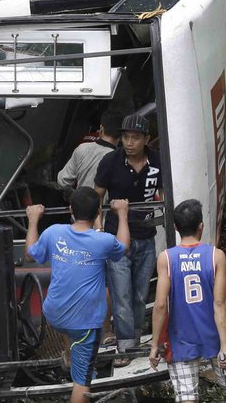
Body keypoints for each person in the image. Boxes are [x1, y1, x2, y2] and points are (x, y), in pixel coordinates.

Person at [26, 189, 130, 403]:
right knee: (82, 384)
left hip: (54, 314)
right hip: (83, 323)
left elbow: (30, 252)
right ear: (99, 211)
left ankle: (70, 357)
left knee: (70, 319)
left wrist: (33, 219)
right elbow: (124, 247)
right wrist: (122, 214)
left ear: (70, 210)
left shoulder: (54, 232)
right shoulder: (103, 241)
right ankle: (76, 364)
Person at [149, 200, 226, 403]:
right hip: (213, 334)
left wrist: (154, 345)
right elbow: (220, 303)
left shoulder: (166, 258)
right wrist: (223, 346)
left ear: (175, 228)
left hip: (181, 338)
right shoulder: (215, 256)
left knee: (187, 396)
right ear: (200, 226)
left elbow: (160, 305)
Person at [94, 112, 162, 364]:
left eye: (135, 138)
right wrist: (100, 230)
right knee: (121, 294)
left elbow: (167, 193)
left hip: (146, 235)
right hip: (116, 239)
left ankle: (133, 339)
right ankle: (125, 348)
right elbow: (95, 197)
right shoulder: (110, 161)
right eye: (125, 137)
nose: (129, 142)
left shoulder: (157, 161)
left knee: (140, 294)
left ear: (146, 139)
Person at [58, 109, 123, 192]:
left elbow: (62, 182)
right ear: (121, 135)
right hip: (107, 205)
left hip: (80, 203)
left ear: (101, 128)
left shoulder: (82, 149)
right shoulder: (122, 159)